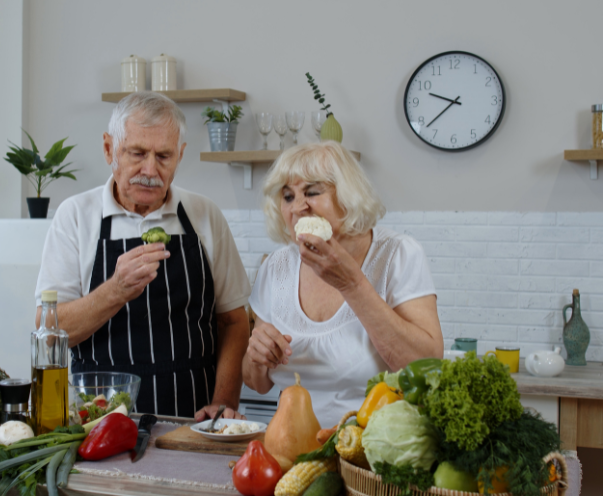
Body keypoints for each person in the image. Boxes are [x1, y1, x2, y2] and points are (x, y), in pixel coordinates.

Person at [35, 91, 250, 421]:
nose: (150, 170)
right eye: (137, 153)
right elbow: (51, 331)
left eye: (164, 156)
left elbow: (234, 321)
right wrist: (115, 291)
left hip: (194, 418)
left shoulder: (204, 215)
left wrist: (223, 404)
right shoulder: (76, 216)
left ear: (180, 155)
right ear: (109, 149)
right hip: (100, 420)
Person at [242, 141, 443, 427]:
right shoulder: (276, 266)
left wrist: (352, 285)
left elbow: (426, 367)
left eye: (312, 192)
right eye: (288, 196)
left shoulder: (398, 254)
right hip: (290, 447)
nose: (299, 207)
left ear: (348, 196)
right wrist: (256, 357)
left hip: (373, 449)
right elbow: (256, 383)